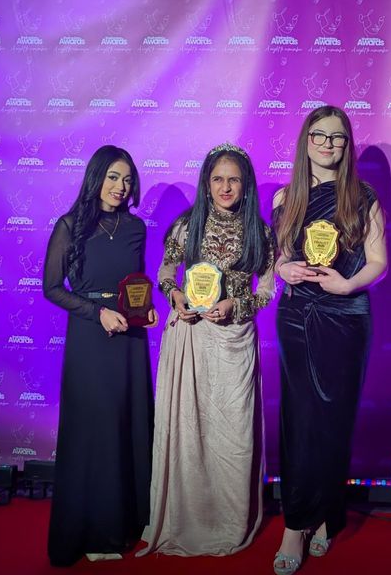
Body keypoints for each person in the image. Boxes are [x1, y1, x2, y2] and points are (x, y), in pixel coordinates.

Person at [138, 143, 275, 556]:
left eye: (234, 179)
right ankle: (186, 517)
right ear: (207, 182)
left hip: (235, 339)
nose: (225, 187)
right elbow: (164, 270)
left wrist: (238, 305)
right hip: (192, 337)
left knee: (232, 435)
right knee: (190, 431)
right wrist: (175, 295)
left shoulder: (260, 231)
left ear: (245, 183)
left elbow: (268, 288)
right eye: (218, 179)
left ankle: (229, 521)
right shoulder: (188, 224)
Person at [271, 106, 388, 574]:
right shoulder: (286, 197)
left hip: (345, 316)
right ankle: (293, 524)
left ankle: (325, 513)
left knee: (334, 422)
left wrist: (348, 284)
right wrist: (282, 269)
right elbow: (278, 257)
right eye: (319, 135)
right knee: (299, 421)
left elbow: (378, 261)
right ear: (305, 141)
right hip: (297, 315)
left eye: (338, 138)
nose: (328, 144)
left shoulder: (364, 196)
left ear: (347, 145)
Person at [43, 145, 157, 566]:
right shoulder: (69, 225)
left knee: (128, 427)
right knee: (94, 434)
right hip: (91, 338)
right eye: (112, 177)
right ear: (96, 178)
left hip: (129, 342)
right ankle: (90, 532)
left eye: (127, 179)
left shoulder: (135, 227)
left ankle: (126, 526)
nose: (120, 186)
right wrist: (97, 313)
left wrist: (144, 311)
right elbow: (52, 289)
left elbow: (135, 282)